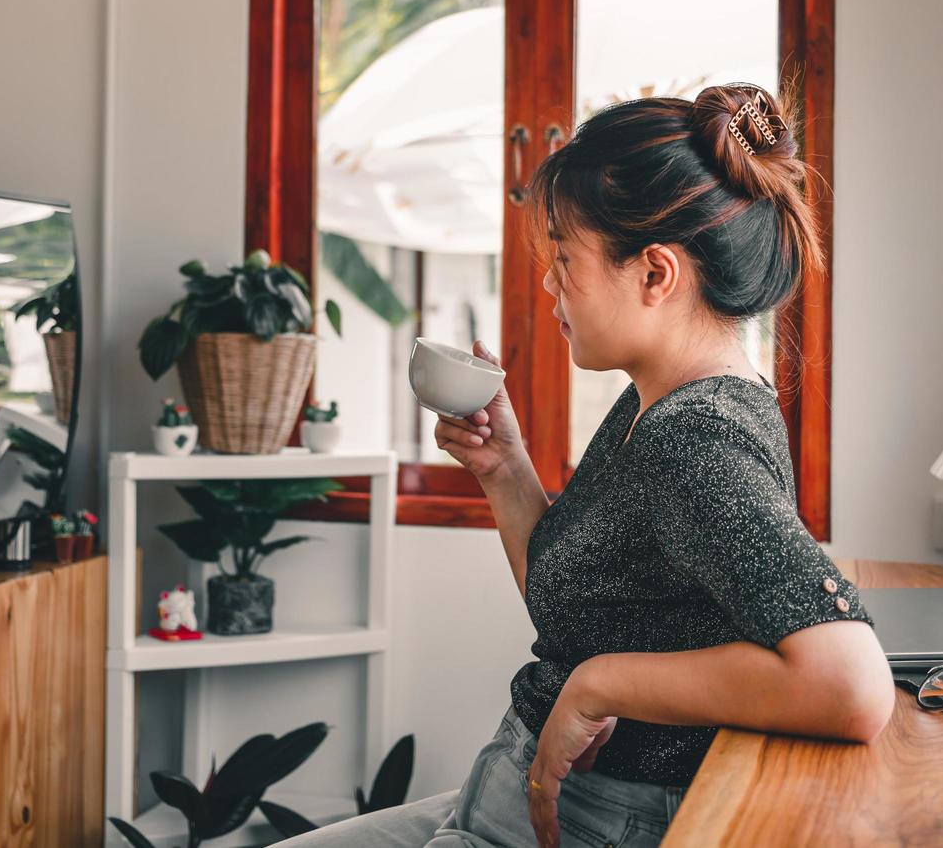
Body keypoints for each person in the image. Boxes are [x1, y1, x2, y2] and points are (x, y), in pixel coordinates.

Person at [277, 83, 893, 848]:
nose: (548, 284)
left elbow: (851, 686)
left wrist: (596, 685)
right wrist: (505, 470)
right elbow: (586, 609)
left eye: (564, 259)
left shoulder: (693, 438)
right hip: (514, 783)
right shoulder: (662, 402)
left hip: (585, 816)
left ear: (655, 274)